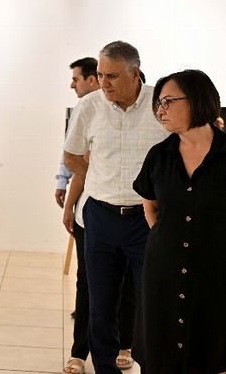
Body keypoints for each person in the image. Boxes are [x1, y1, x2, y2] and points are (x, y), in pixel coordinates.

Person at [132, 69, 226, 373]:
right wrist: (167, 241)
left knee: (211, 352)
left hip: (217, 274)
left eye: (167, 101)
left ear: (196, 100)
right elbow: (149, 206)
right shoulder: (159, 155)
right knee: (159, 353)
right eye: (158, 103)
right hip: (162, 271)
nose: (160, 110)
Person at [64, 41, 168, 373]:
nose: (103, 82)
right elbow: (71, 155)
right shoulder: (89, 107)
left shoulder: (161, 104)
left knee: (150, 301)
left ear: (134, 73)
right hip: (100, 216)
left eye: (111, 76)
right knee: (100, 303)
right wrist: (94, 175)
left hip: (146, 219)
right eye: (99, 74)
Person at [60, 57, 137, 373]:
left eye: (77, 79)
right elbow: (74, 161)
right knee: (89, 283)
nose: (73, 85)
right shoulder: (87, 111)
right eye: (102, 76)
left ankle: (124, 344)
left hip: (132, 214)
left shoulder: (141, 113)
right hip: (93, 213)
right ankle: (81, 350)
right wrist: (69, 202)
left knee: (129, 283)